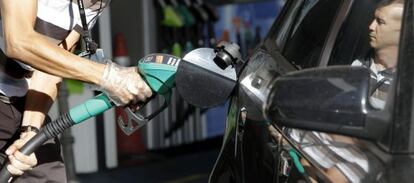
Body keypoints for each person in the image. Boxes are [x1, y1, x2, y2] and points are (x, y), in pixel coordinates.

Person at [0, 0, 152, 182]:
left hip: (19, 99)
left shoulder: (95, 2)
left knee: (47, 174)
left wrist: (29, 132)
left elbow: (49, 69)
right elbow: (18, 42)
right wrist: (110, 77)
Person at [269, 1, 404, 182]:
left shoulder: (406, 83)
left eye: (380, 22)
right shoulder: (357, 65)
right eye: (373, 18)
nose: (370, 27)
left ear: (403, 33)